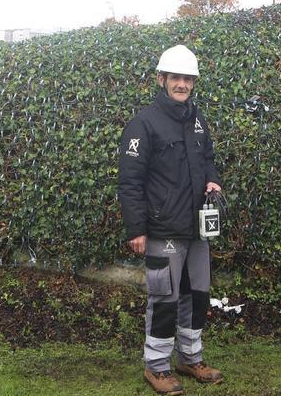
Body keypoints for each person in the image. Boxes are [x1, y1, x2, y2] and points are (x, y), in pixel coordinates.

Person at [118, 44, 223, 395]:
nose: (182, 84)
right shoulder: (143, 123)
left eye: (187, 79)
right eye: (175, 77)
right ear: (161, 79)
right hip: (163, 229)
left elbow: (207, 158)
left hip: (197, 229)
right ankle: (157, 367)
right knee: (163, 299)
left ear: (193, 83)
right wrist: (136, 229)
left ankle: (190, 359)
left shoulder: (197, 120)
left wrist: (212, 179)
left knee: (198, 296)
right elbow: (130, 181)